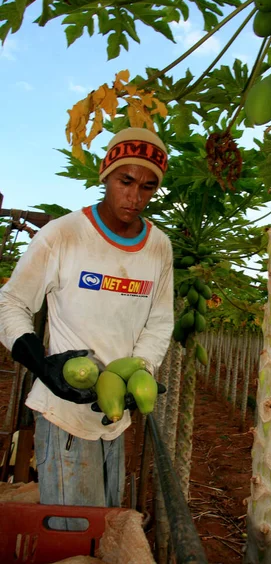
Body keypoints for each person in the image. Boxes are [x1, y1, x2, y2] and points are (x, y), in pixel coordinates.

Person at [0, 127, 174, 521]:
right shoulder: (63, 235)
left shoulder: (159, 246)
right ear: (104, 174)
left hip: (115, 416)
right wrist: (40, 365)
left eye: (147, 187)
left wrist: (141, 371)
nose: (134, 196)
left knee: (105, 520)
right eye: (125, 181)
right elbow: (10, 301)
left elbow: (160, 320)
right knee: (73, 530)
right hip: (64, 414)